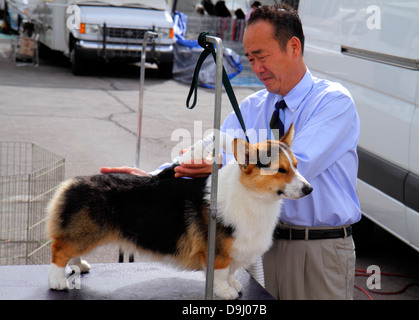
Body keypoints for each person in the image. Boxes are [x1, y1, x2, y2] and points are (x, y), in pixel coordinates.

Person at [101, 4, 360, 300]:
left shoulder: (333, 103)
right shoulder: (251, 107)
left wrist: (221, 163)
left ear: (294, 46)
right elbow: (209, 152)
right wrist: (151, 178)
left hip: (315, 250)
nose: (256, 68)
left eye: (262, 56)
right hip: (252, 244)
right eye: (250, 58)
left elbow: (291, 168)